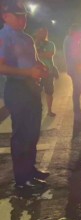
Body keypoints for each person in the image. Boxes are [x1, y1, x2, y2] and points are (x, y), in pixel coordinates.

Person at [0, 0, 50, 188]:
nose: (22, 20)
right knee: (21, 135)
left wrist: (40, 67)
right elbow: (1, 66)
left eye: (24, 17)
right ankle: (22, 180)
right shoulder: (4, 36)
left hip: (32, 88)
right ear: (5, 16)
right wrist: (28, 73)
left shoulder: (27, 38)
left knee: (33, 133)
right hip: (17, 89)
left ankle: (30, 170)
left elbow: (34, 61)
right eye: (18, 16)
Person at [63, 23, 81, 121]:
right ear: (74, 32)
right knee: (77, 90)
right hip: (75, 69)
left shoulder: (69, 40)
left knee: (78, 90)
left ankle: (77, 111)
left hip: (74, 68)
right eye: (79, 33)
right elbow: (76, 56)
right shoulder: (71, 41)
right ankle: (77, 113)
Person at [34, 27, 58, 117]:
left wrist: (37, 53)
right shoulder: (34, 44)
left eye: (44, 33)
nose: (42, 35)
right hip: (37, 72)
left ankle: (49, 110)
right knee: (36, 93)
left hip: (48, 71)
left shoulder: (50, 44)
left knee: (49, 92)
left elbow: (49, 54)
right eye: (40, 33)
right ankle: (37, 111)